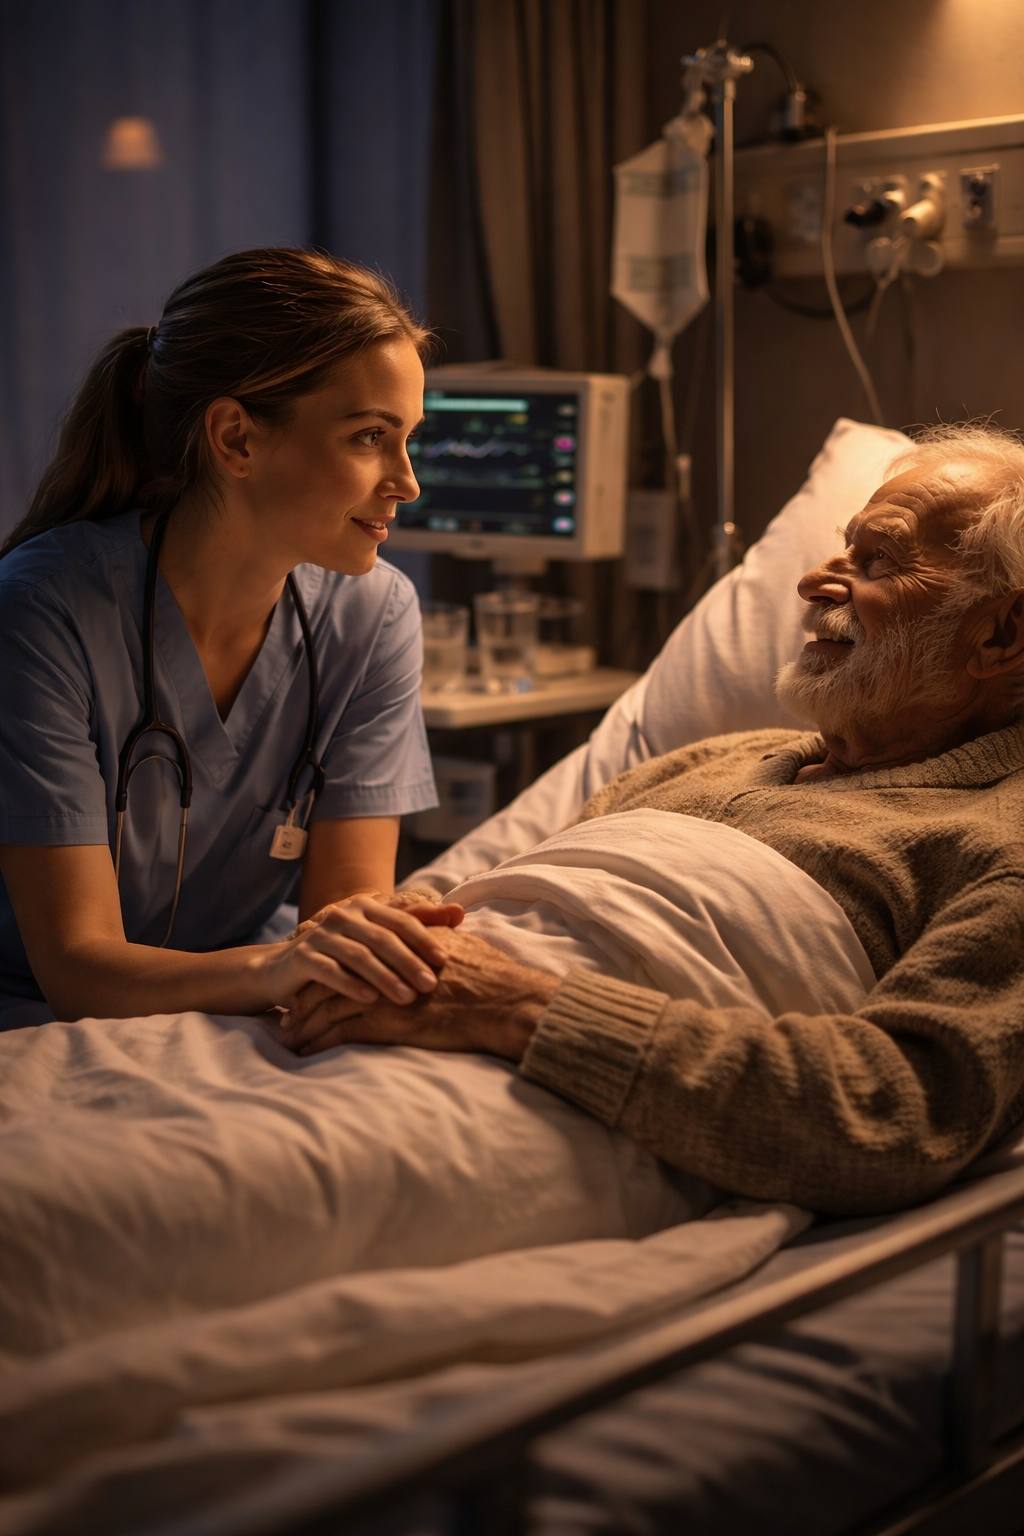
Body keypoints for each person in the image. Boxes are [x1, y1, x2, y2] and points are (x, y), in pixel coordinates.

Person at [277, 423, 1024, 1216]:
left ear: (1002, 633)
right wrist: (388, 928)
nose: (813, 582)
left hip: (500, 1108)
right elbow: (507, 911)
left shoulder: (995, 840)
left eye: (876, 561)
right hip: (341, 1037)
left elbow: (893, 1111)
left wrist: (515, 1009)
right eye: (840, 550)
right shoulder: (707, 761)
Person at [0, 247, 464, 1030]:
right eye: (368, 438)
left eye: (408, 438)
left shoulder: (374, 616)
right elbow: (77, 970)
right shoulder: (43, 611)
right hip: (36, 1012)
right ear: (236, 439)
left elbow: (342, 918)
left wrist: (354, 948)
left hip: (240, 996)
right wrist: (283, 964)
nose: (406, 481)